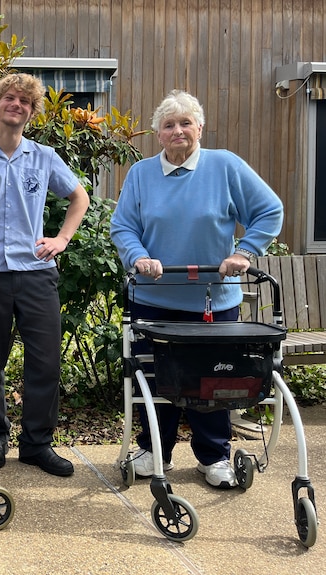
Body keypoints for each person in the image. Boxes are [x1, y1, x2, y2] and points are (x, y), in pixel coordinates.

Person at [110, 89, 283, 489]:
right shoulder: (141, 174)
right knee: (155, 380)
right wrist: (138, 257)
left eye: (186, 122)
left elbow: (269, 210)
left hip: (213, 301)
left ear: (200, 128)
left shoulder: (224, 166)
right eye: (169, 125)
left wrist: (245, 251)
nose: (178, 131)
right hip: (153, 298)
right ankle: (154, 450)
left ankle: (215, 457)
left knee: (214, 383)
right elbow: (124, 227)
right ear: (158, 134)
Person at [0, 73, 90, 477]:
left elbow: (79, 197)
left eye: (25, 102)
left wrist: (62, 239)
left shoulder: (44, 158)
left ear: (32, 111)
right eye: (9, 98)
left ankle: (37, 444)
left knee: (45, 362)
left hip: (36, 275)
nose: (17, 105)